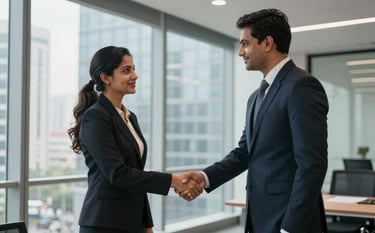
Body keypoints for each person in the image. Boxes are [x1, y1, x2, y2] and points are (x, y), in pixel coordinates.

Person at [179, 8, 329, 233]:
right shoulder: (256, 96)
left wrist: (291, 227)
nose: (240, 52)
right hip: (259, 217)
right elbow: (244, 152)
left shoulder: (301, 86)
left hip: (288, 221)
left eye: (245, 43)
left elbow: (311, 166)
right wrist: (205, 177)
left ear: (267, 43)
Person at [67, 46, 202, 233]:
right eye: (126, 70)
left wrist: (147, 223)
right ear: (106, 78)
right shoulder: (96, 117)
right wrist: (173, 180)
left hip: (133, 222)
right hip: (105, 223)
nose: (135, 75)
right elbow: (118, 174)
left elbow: (136, 174)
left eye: (133, 68)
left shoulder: (130, 117)